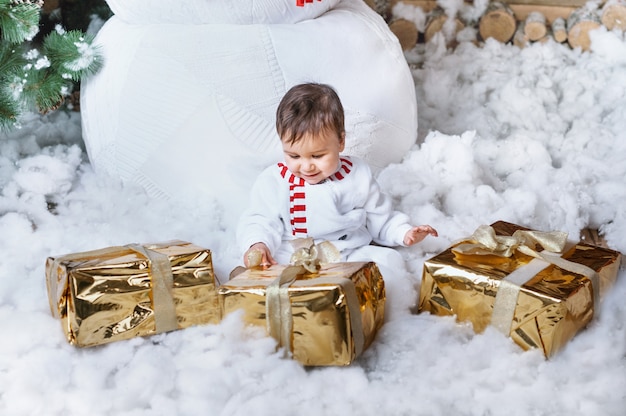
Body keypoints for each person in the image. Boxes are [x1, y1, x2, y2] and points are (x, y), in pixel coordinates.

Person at [236, 82, 437, 273]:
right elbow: (260, 219)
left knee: (390, 263)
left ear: (340, 142)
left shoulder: (357, 175)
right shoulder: (274, 181)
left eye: (318, 155)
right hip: (292, 257)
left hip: (347, 253)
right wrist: (258, 244)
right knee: (272, 275)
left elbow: (380, 217)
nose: (306, 166)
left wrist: (404, 232)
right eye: (294, 156)